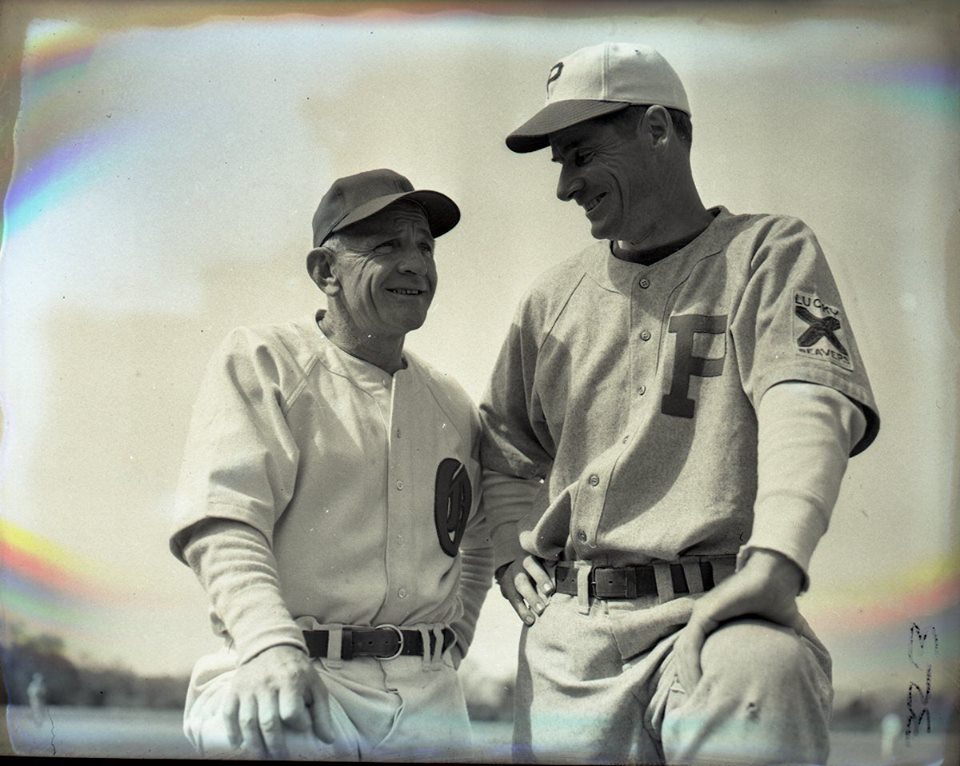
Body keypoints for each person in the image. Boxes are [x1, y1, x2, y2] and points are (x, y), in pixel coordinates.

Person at [480, 42, 880, 765]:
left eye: (579, 153)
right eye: (558, 163)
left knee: (766, 666)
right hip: (574, 641)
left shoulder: (765, 253)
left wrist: (778, 560)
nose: (565, 186)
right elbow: (504, 451)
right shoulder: (551, 298)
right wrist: (511, 555)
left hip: (716, 610)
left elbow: (808, 402)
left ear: (658, 129)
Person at [169, 168, 493, 761]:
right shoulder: (266, 360)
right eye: (387, 245)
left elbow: (480, 541)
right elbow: (223, 524)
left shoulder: (451, 402)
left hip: (429, 696)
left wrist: (454, 640)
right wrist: (268, 647)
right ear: (325, 272)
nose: (415, 263)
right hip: (296, 671)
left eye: (425, 246)